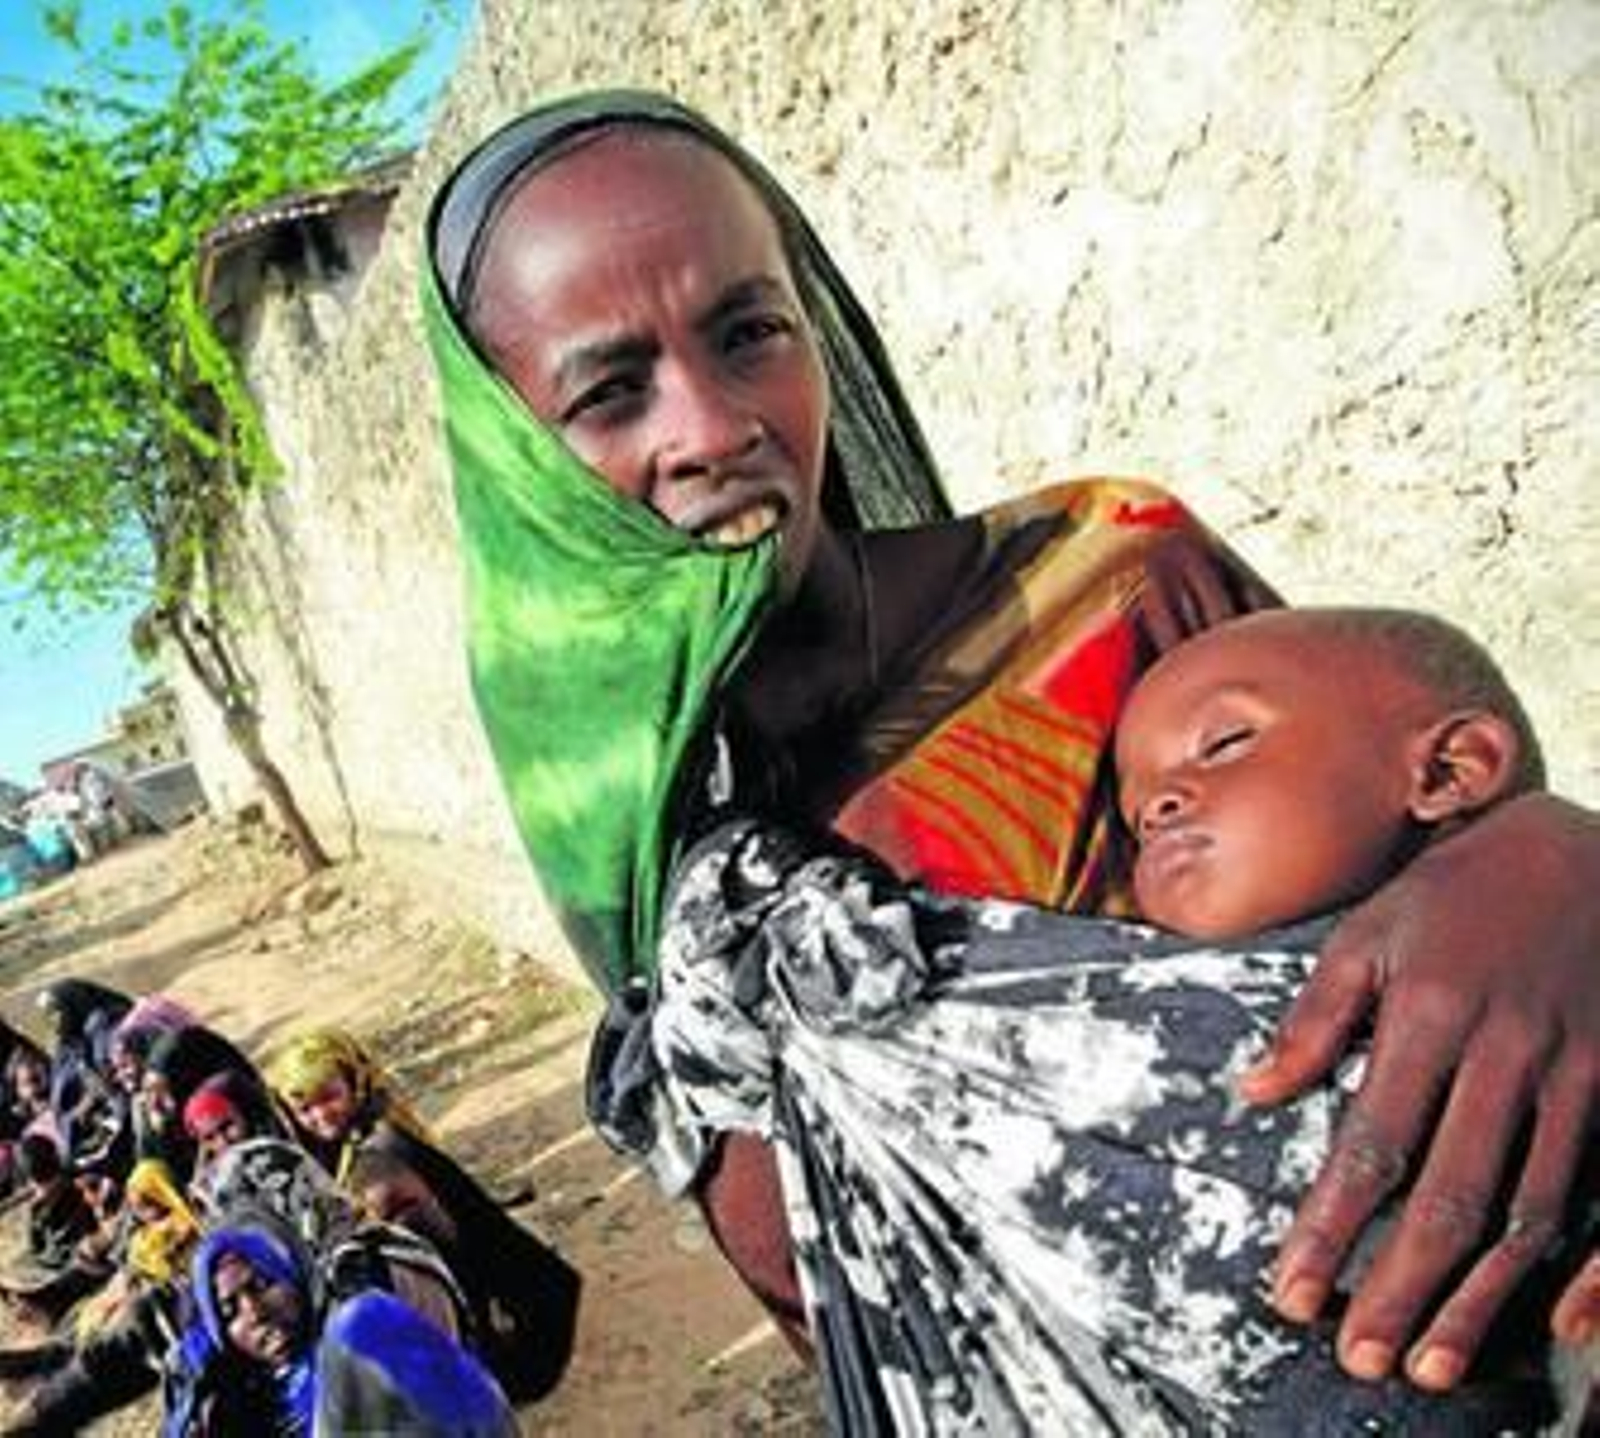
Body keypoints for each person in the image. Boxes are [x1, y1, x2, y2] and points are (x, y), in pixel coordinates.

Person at [422, 88, 1600, 1406]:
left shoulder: (1113, 576)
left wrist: (1552, 862)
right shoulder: (673, 898)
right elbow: (881, 1320)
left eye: (751, 331)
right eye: (609, 391)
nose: (710, 426)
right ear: (517, 459)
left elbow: (1416, 803)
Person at [268, 1027, 580, 1400]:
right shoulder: (344, 1148)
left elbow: (445, 1244)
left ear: (356, 1082)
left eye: (329, 1097)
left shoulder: (379, 1156)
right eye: (305, 1108)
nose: (321, 1115)